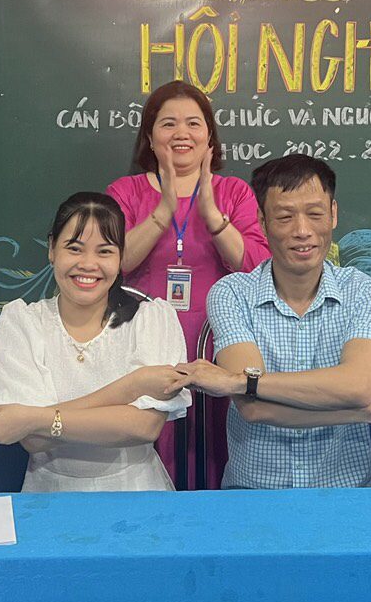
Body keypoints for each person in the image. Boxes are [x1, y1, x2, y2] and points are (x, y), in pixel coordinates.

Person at [178, 154, 371, 488]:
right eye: (284, 217)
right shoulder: (231, 293)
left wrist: (241, 381)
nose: (302, 231)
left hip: (347, 491)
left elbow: (357, 387)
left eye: (315, 214)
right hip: (255, 491)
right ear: (262, 221)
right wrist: (370, 412)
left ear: (333, 214)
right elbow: (255, 409)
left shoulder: (361, 290)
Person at [107, 81, 270, 486]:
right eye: (168, 124)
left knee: (215, 454)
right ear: (150, 136)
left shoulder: (234, 192)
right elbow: (117, 261)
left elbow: (257, 266)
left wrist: (212, 215)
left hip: (221, 348)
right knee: (152, 453)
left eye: (193, 123)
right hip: (144, 348)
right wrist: (164, 209)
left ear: (209, 136)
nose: (182, 133)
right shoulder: (124, 192)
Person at [0, 192, 191, 491]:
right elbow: (34, 440)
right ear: (52, 249)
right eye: (74, 248)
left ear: (120, 257)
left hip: (137, 490)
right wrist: (132, 386)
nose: (88, 264)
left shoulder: (152, 319)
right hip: (48, 492)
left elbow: (143, 426)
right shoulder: (22, 323)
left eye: (104, 251)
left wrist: (34, 418)